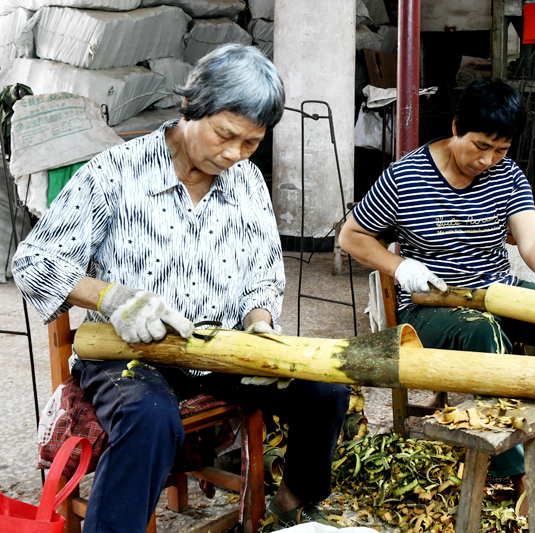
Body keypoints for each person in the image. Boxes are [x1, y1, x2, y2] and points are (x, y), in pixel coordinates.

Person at [13, 44, 348, 533]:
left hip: (218, 350)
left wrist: (259, 325)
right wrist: (112, 298)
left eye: (251, 143)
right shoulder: (114, 173)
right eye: (225, 135)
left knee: (325, 388)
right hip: (127, 355)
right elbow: (34, 261)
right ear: (191, 107)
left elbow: (262, 272)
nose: (234, 155)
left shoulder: (247, 181)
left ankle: (290, 503)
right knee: (149, 416)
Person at [339, 79, 535, 514]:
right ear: (455, 128)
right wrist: (400, 267)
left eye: (501, 150)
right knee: (483, 334)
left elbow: (532, 242)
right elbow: (352, 236)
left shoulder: (506, 175)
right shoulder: (405, 176)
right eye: (480, 146)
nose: (487, 160)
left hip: (498, 293)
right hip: (434, 306)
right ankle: (517, 471)